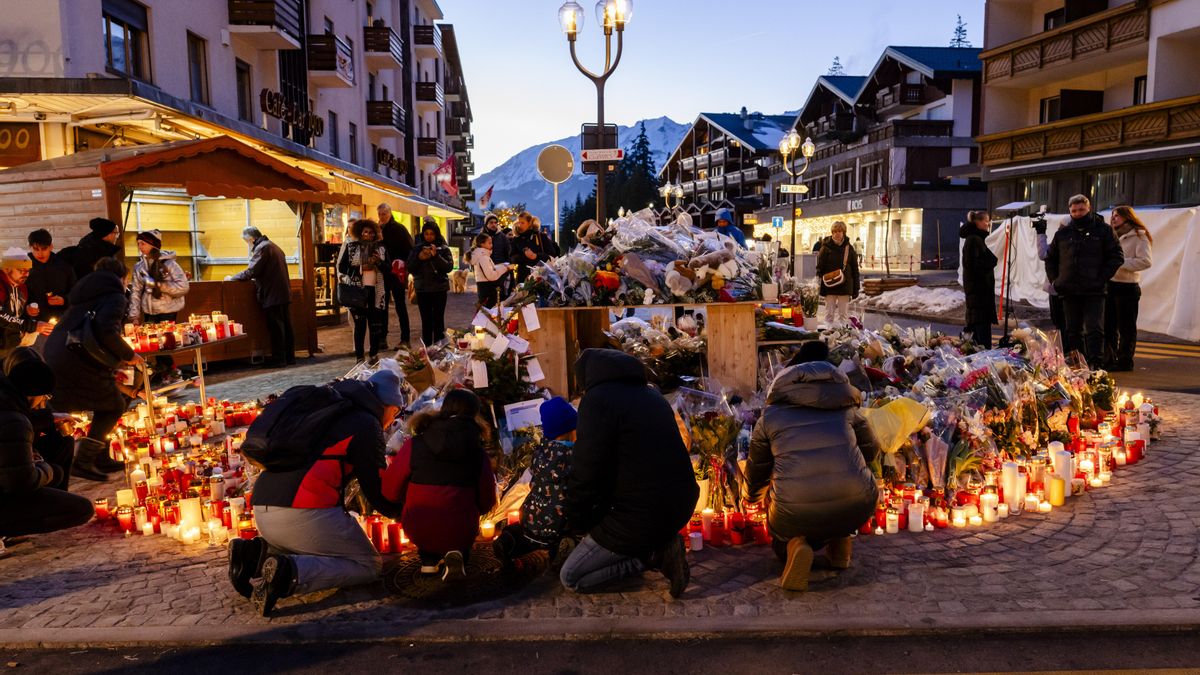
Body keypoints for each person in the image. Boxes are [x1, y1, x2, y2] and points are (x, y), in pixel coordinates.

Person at [238, 369, 406, 616]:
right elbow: (376, 490)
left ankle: (254, 556)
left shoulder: (330, 414)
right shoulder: (365, 423)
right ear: (387, 405)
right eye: (396, 412)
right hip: (304, 512)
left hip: (263, 510)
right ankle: (288, 573)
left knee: (308, 546)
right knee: (368, 565)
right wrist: (403, 514)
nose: (394, 420)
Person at [744, 340, 881, 591]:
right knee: (838, 504)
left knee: (782, 532)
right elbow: (872, 451)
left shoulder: (771, 417)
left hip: (795, 509)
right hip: (857, 502)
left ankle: (796, 546)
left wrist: (752, 498)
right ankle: (840, 545)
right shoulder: (848, 409)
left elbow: (758, 469)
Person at [561, 348, 696, 598]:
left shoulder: (597, 400)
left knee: (571, 576)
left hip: (638, 513)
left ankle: (653, 557)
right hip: (681, 503)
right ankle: (658, 544)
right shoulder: (652, 395)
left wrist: (575, 520)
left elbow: (587, 469)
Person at [382, 388, 497, 580]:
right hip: (461, 528)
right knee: (458, 527)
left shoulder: (415, 444)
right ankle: (458, 553)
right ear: (474, 415)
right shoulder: (478, 453)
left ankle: (428, 561)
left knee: (428, 527)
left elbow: (390, 490)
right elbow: (486, 500)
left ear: (443, 409)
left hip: (418, 526)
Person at [43, 257, 140, 481]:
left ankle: (91, 458)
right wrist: (129, 355)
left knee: (60, 406)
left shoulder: (86, 292)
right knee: (114, 404)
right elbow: (106, 331)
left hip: (58, 352)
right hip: (78, 358)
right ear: (121, 278)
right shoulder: (114, 295)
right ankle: (85, 460)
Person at [0, 351, 93, 541]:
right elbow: (22, 482)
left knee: (61, 443)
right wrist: (47, 468)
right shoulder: (14, 420)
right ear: (33, 394)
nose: (44, 401)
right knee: (82, 509)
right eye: (44, 396)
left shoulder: (7, 400)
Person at [493, 396, 578, 564]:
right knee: (568, 528)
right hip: (559, 524)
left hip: (531, 521)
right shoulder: (572, 456)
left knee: (526, 536)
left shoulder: (540, 452)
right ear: (571, 429)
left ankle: (510, 542)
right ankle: (562, 550)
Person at [1044, 195, 1123, 367]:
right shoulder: (1062, 234)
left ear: (1089, 209)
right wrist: (1056, 281)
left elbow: (1116, 257)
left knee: (1094, 329)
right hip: (1068, 290)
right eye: (1074, 210)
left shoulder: (1103, 230)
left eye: (1081, 210)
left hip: (1094, 290)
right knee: (1073, 331)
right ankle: (1077, 365)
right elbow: (1050, 259)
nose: (1078, 213)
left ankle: (1096, 365)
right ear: (1069, 211)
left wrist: (1101, 278)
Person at [4, 348, 79, 491]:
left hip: (31, 446)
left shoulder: (36, 393)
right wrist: (49, 418)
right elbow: (16, 425)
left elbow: (37, 420)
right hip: (17, 457)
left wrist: (53, 423)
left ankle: (59, 494)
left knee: (64, 441)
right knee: (82, 507)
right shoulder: (9, 399)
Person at [228, 226, 295, 367]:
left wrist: (232, 278)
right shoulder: (274, 246)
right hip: (282, 292)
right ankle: (290, 357)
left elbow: (251, 271)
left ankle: (279, 359)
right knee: (286, 326)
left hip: (272, 294)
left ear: (251, 239)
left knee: (276, 327)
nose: (248, 245)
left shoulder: (263, 248)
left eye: (247, 241)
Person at [1105, 206, 1153, 371]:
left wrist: (1120, 262)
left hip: (1127, 286)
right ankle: (1109, 359)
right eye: (1112, 215)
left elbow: (1145, 261)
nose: (1113, 218)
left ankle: (1125, 360)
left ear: (1127, 217)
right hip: (1109, 284)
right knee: (1108, 325)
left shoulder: (1139, 235)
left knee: (1126, 327)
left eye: (1117, 216)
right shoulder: (1110, 234)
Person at [338, 219, 388, 362]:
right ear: (360, 232)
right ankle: (359, 357)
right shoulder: (351, 247)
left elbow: (388, 268)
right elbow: (342, 267)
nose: (368, 235)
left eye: (371, 232)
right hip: (357, 291)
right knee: (359, 326)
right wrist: (360, 269)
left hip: (376, 292)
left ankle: (373, 354)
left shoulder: (381, 248)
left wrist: (379, 262)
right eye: (365, 232)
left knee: (375, 326)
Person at [128, 230, 190, 325]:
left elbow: (183, 287)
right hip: (149, 312)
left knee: (166, 337)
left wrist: (158, 285)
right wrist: (134, 315)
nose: (140, 247)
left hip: (168, 312)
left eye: (143, 243)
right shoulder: (139, 267)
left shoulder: (170, 264)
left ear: (153, 245)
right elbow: (135, 291)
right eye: (138, 244)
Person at [1, 249, 54, 360]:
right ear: (6, 269)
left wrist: (27, 310)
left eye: (27, 270)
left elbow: (14, 314)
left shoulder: (22, 286)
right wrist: (32, 326)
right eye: (21, 270)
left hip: (11, 343)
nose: (26, 274)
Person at [407, 221, 453, 346]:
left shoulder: (443, 249)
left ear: (436, 234)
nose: (429, 237)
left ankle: (439, 346)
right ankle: (427, 348)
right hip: (423, 289)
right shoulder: (417, 248)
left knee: (438, 320)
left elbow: (448, 267)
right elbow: (410, 267)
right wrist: (419, 258)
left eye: (432, 234)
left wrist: (436, 256)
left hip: (439, 288)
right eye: (426, 234)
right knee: (426, 321)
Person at [960, 211, 998, 349]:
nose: (988, 224)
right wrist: (991, 261)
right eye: (986, 221)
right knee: (981, 337)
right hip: (979, 295)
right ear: (977, 222)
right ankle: (982, 363)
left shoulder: (976, 239)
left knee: (979, 334)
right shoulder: (973, 240)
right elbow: (973, 266)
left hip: (978, 295)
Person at [377, 204, 413, 346]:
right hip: (382, 273)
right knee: (382, 307)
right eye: (380, 214)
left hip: (396, 273)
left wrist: (404, 267)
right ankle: (382, 339)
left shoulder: (399, 229)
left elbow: (410, 249)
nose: (382, 216)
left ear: (390, 213)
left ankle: (405, 339)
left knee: (400, 306)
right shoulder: (377, 230)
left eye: (384, 214)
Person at [25, 229, 76, 326]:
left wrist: (64, 300)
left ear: (51, 247)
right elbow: (15, 294)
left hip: (61, 319)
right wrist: (26, 308)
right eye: (36, 249)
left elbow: (76, 291)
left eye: (44, 248)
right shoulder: (22, 267)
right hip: (34, 322)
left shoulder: (64, 266)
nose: (40, 253)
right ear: (30, 247)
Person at [815, 221, 860, 327]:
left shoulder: (849, 248)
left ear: (844, 232)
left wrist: (856, 288)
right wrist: (818, 283)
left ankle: (842, 337)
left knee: (843, 315)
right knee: (829, 314)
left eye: (839, 231)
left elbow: (855, 269)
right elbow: (819, 268)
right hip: (830, 285)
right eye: (834, 231)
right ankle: (827, 336)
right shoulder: (825, 248)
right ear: (832, 233)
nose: (837, 234)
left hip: (845, 285)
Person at [1033, 215, 1066, 339]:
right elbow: (1044, 254)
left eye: (1062, 227)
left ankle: (1068, 350)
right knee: (1057, 320)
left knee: (1065, 323)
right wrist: (1041, 233)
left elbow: (1044, 254)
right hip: (1054, 286)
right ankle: (1063, 348)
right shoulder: (1058, 240)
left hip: (1066, 287)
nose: (1059, 229)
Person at [468, 233, 510, 309]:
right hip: (488, 289)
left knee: (485, 313)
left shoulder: (481, 255)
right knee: (488, 314)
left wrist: (501, 266)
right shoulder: (483, 257)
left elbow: (490, 269)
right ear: (482, 244)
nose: (492, 245)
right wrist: (505, 268)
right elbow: (491, 275)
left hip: (484, 288)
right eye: (489, 243)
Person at [509, 212, 553, 283]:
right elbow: (512, 258)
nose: (519, 225)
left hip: (541, 277)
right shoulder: (516, 239)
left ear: (529, 223)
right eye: (519, 222)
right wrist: (524, 256)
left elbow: (551, 256)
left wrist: (536, 256)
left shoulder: (541, 237)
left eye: (522, 223)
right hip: (523, 277)